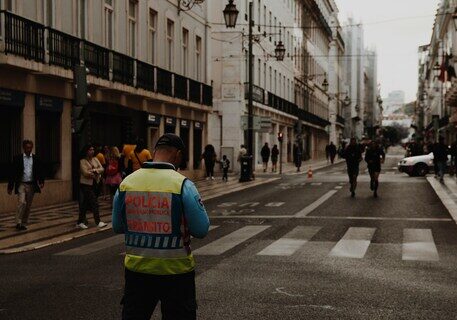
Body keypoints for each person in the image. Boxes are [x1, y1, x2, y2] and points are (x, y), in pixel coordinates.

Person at [112, 133, 210, 320]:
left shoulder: (127, 184)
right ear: (178, 155)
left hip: (137, 271)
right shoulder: (183, 185)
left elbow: (117, 226)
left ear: (155, 152)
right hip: (176, 273)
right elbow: (201, 229)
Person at [7, 140, 44, 231]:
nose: (29, 149)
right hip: (21, 184)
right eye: (27, 147)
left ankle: (24, 223)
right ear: (24, 148)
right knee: (22, 202)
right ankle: (18, 222)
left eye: (30, 147)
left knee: (28, 205)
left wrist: (41, 181)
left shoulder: (36, 159)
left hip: (31, 185)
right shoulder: (17, 158)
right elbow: (13, 173)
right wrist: (10, 186)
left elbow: (39, 171)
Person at [78, 144, 107, 229]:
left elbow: (102, 169)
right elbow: (85, 173)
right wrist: (95, 171)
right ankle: (98, 221)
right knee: (94, 202)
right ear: (86, 151)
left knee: (85, 203)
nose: (92, 151)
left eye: (93, 149)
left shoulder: (95, 159)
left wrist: (94, 170)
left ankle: (80, 221)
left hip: (95, 183)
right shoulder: (82, 161)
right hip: (85, 184)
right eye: (90, 150)